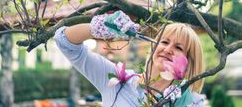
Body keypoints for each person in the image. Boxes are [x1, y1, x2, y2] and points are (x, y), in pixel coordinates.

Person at [54, 10, 205, 107]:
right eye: (164, 42)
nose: (168, 49)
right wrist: (99, 28)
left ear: (189, 62)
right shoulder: (119, 81)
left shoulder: (191, 102)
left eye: (178, 47)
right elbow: (64, 42)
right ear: (153, 48)